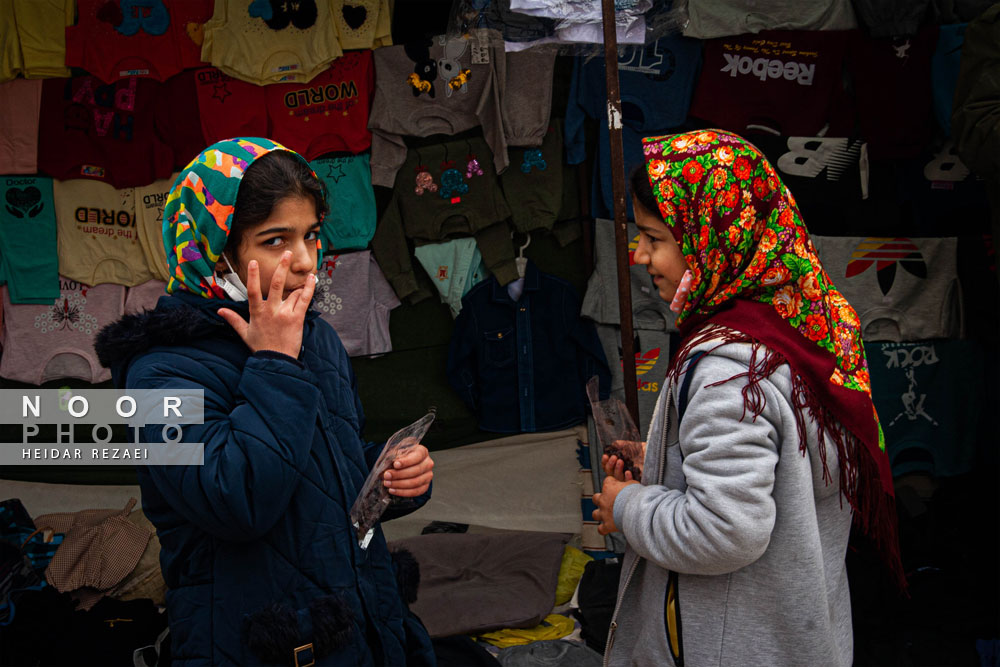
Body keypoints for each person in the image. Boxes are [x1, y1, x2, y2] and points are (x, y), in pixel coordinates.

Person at [96, 138, 436, 666]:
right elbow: (236, 501)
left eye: (311, 235)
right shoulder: (158, 373)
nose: (304, 262)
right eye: (276, 240)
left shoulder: (314, 337)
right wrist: (275, 362)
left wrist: (392, 476)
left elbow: (326, 468)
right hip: (256, 647)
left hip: (358, 628)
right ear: (214, 248)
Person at [591, 130, 904, 667]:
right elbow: (783, 478)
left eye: (653, 238)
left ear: (714, 239)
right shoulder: (806, 327)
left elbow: (724, 532)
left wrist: (629, 507)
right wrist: (670, 464)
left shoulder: (727, 373)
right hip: (794, 639)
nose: (639, 257)